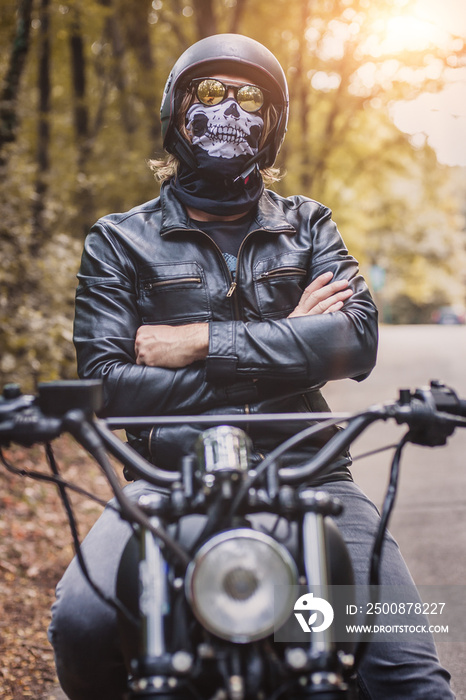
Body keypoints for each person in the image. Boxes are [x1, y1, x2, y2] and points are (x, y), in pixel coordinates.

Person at [48, 34, 454, 700]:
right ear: (176, 112)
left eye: (249, 98)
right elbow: (109, 388)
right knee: (81, 623)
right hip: (162, 482)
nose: (228, 110)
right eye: (210, 94)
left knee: (407, 675)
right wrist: (291, 337)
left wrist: (200, 340)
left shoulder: (310, 226)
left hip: (314, 474)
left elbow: (357, 341)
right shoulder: (119, 239)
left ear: (273, 125)